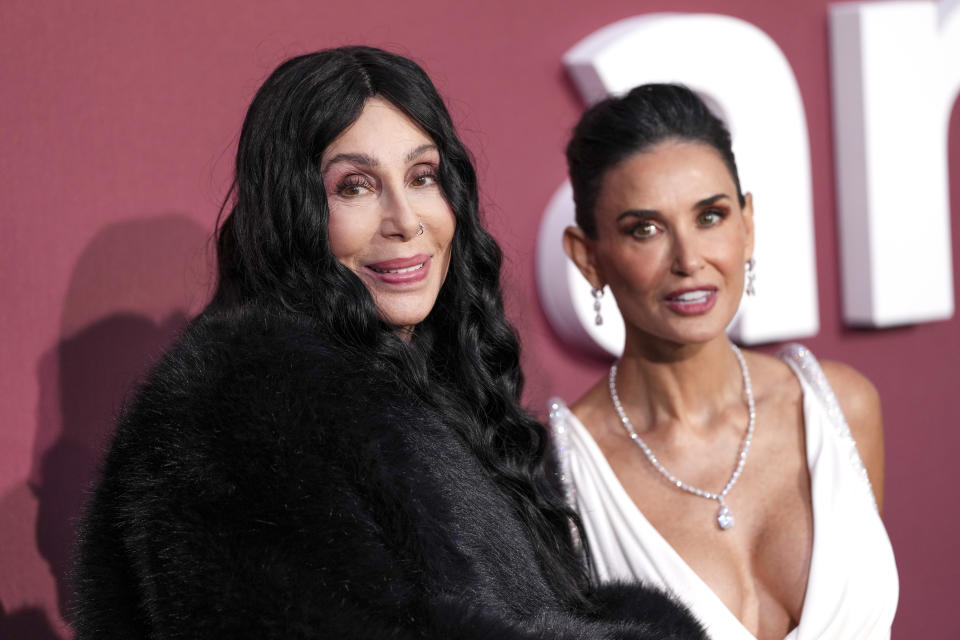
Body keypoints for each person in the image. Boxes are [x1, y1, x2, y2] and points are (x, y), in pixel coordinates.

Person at [72, 48, 707, 639]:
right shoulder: (240, 411)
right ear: (291, 211)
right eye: (355, 186)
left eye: (423, 176)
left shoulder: (448, 397)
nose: (406, 221)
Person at [550, 84, 898, 640]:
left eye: (710, 217)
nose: (689, 260)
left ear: (747, 224)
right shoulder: (561, 478)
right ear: (588, 258)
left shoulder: (840, 409)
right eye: (646, 229)